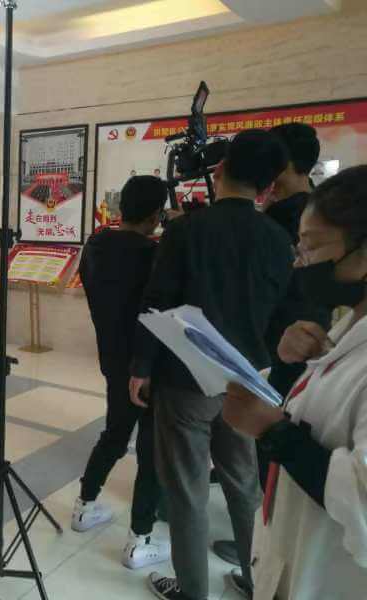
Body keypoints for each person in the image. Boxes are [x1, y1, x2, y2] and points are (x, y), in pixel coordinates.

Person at [130, 129, 294, 600]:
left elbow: (158, 301)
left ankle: (193, 592)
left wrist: (141, 367)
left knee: (187, 490)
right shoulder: (278, 238)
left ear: (219, 170)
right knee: (244, 485)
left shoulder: (185, 230)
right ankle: (255, 581)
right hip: (248, 382)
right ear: (268, 187)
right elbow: (282, 316)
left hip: (185, 380)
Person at [222, 165, 367, 600]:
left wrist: (273, 432)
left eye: (313, 246)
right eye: (299, 247)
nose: (300, 261)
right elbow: (319, 415)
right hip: (293, 553)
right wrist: (289, 365)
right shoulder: (347, 327)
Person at [214, 123, 329, 569]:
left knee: (271, 454)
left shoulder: (281, 221)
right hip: (293, 348)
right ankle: (265, 546)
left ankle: (262, 553)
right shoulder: (302, 211)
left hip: (280, 354)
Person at [72, 176, 170, 570]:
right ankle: (139, 538)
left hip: (112, 359)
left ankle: (85, 506)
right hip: (148, 366)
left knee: (114, 432)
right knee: (150, 448)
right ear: (155, 214)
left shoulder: (95, 246)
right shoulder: (155, 254)